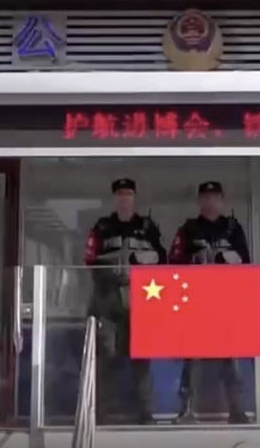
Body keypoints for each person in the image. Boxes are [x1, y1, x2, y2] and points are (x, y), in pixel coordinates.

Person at [84, 178, 166, 425]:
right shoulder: (102, 227)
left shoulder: (148, 227)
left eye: (128, 194)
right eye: (120, 195)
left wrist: (140, 260)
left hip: (140, 299)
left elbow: (162, 260)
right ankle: (99, 412)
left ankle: (145, 412)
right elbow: (88, 260)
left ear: (134, 198)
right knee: (105, 356)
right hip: (107, 299)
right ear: (114, 199)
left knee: (141, 358)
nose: (124, 199)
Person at [169, 180, 251, 424]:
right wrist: (195, 261)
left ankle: (236, 409)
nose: (210, 201)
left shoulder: (234, 229)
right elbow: (172, 263)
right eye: (205, 197)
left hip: (225, 303)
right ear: (199, 201)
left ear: (222, 200)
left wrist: (229, 260)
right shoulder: (188, 230)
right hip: (195, 302)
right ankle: (187, 409)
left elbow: (247, 265)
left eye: (214, 196)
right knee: (192, 358)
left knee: (230, 357)